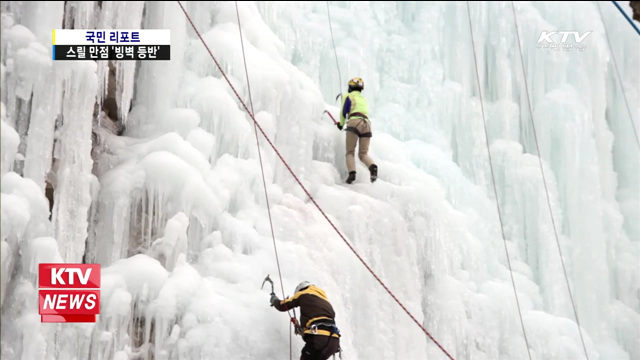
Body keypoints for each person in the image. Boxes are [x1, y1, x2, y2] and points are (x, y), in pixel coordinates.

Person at [271, 281, 341, 360]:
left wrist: (274, 300)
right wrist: (298, 326)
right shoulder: (325, 300)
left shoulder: (303, 293)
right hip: (334, 341)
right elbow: (321, 325)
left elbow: (282, 306)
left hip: (318, 338)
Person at [337, 77, 378, 184]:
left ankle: (352, 174)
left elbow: (343, 113)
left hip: (355, 123)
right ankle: (372, 166)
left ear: (350, 87)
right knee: (363, 154)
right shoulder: (363, 99)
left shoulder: (348, 96)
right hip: (367, 124)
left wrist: (340, 125)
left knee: (350, 152)